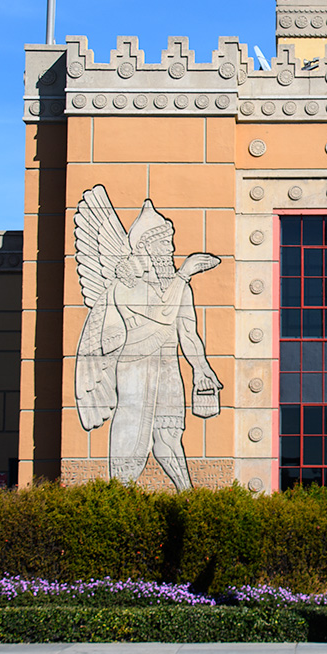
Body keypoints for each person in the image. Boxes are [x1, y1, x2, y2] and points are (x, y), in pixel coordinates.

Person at [76, 196, 221, 489]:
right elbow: (163, 314)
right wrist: (184, 273)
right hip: (134, 368)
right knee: (131, 436)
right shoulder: (125, 284)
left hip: (168, 368)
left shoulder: (179, 286)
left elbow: (188, 333)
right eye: (164, 243)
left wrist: (202, 368)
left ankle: (188, 496)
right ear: (144, 247)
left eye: (170, 242)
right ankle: (117, 497)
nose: (170, 249)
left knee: (168, 436)